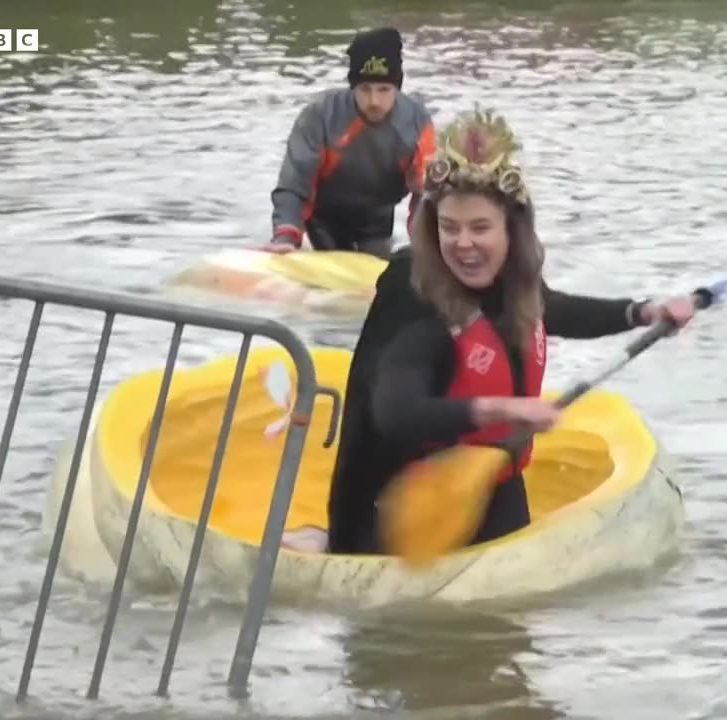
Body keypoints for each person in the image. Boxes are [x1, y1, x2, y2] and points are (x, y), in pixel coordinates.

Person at [320, 106, 699, 555]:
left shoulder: (513, 275)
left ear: (512, 229)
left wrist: (642, 312)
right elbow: (395, 410)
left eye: (480, 227)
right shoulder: (414, 293)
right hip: (404, 503)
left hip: (492, 483)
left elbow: (548, 310)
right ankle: (322, 543)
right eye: (449, 227)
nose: (463, 244)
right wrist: (501, 410)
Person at [263, 27, 436, 259]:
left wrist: (428, 250)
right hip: (324, 217)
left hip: (378, 219)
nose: (374, 101)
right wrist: (285, 237)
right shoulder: (320, 116)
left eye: (384, 89)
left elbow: (426, 196)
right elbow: (294, 184)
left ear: (397, 87)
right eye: (365, 89)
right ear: (353, 86)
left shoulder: (418, 123)